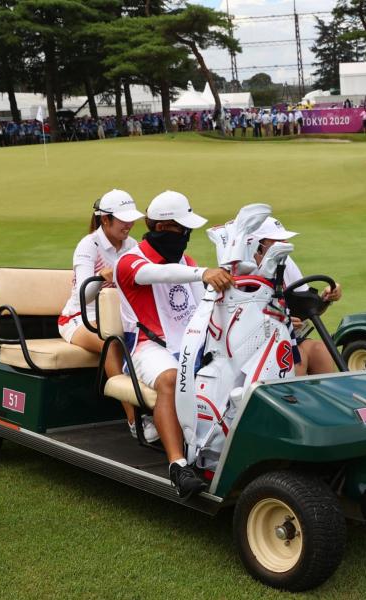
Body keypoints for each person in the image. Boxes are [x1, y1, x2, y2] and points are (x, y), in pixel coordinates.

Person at [114, 190, 234, 499]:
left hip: (189, 344)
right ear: (162, 227)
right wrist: (202, 273)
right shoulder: (129, 261)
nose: (186, 236)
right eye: (183, 229)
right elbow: (156, 274)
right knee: (171, 378)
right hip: (145, 347)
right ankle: (177, 466)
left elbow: (201, 307)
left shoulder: (185, 260)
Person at [58, 190, 152, 439]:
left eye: (131, 219)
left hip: (119, 319)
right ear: (105, 220)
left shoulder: (132, 246)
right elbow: (82, 296)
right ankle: (135, 420)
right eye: (123, 219)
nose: (129, 224)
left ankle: (156, 408)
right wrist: (100, 278)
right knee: (111, 343)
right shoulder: (89, 245)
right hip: (79, 319)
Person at [251, 217, 343, 375]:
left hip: (289, 335)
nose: (284, 244)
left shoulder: (284, 260)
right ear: (258, 245)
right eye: (277, 241)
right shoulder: (245, 271)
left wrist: (326, 299)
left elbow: (306, 309)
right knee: (297, 360)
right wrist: (279, 321)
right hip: (258, 341)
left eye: (284, 239)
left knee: (322, 351)